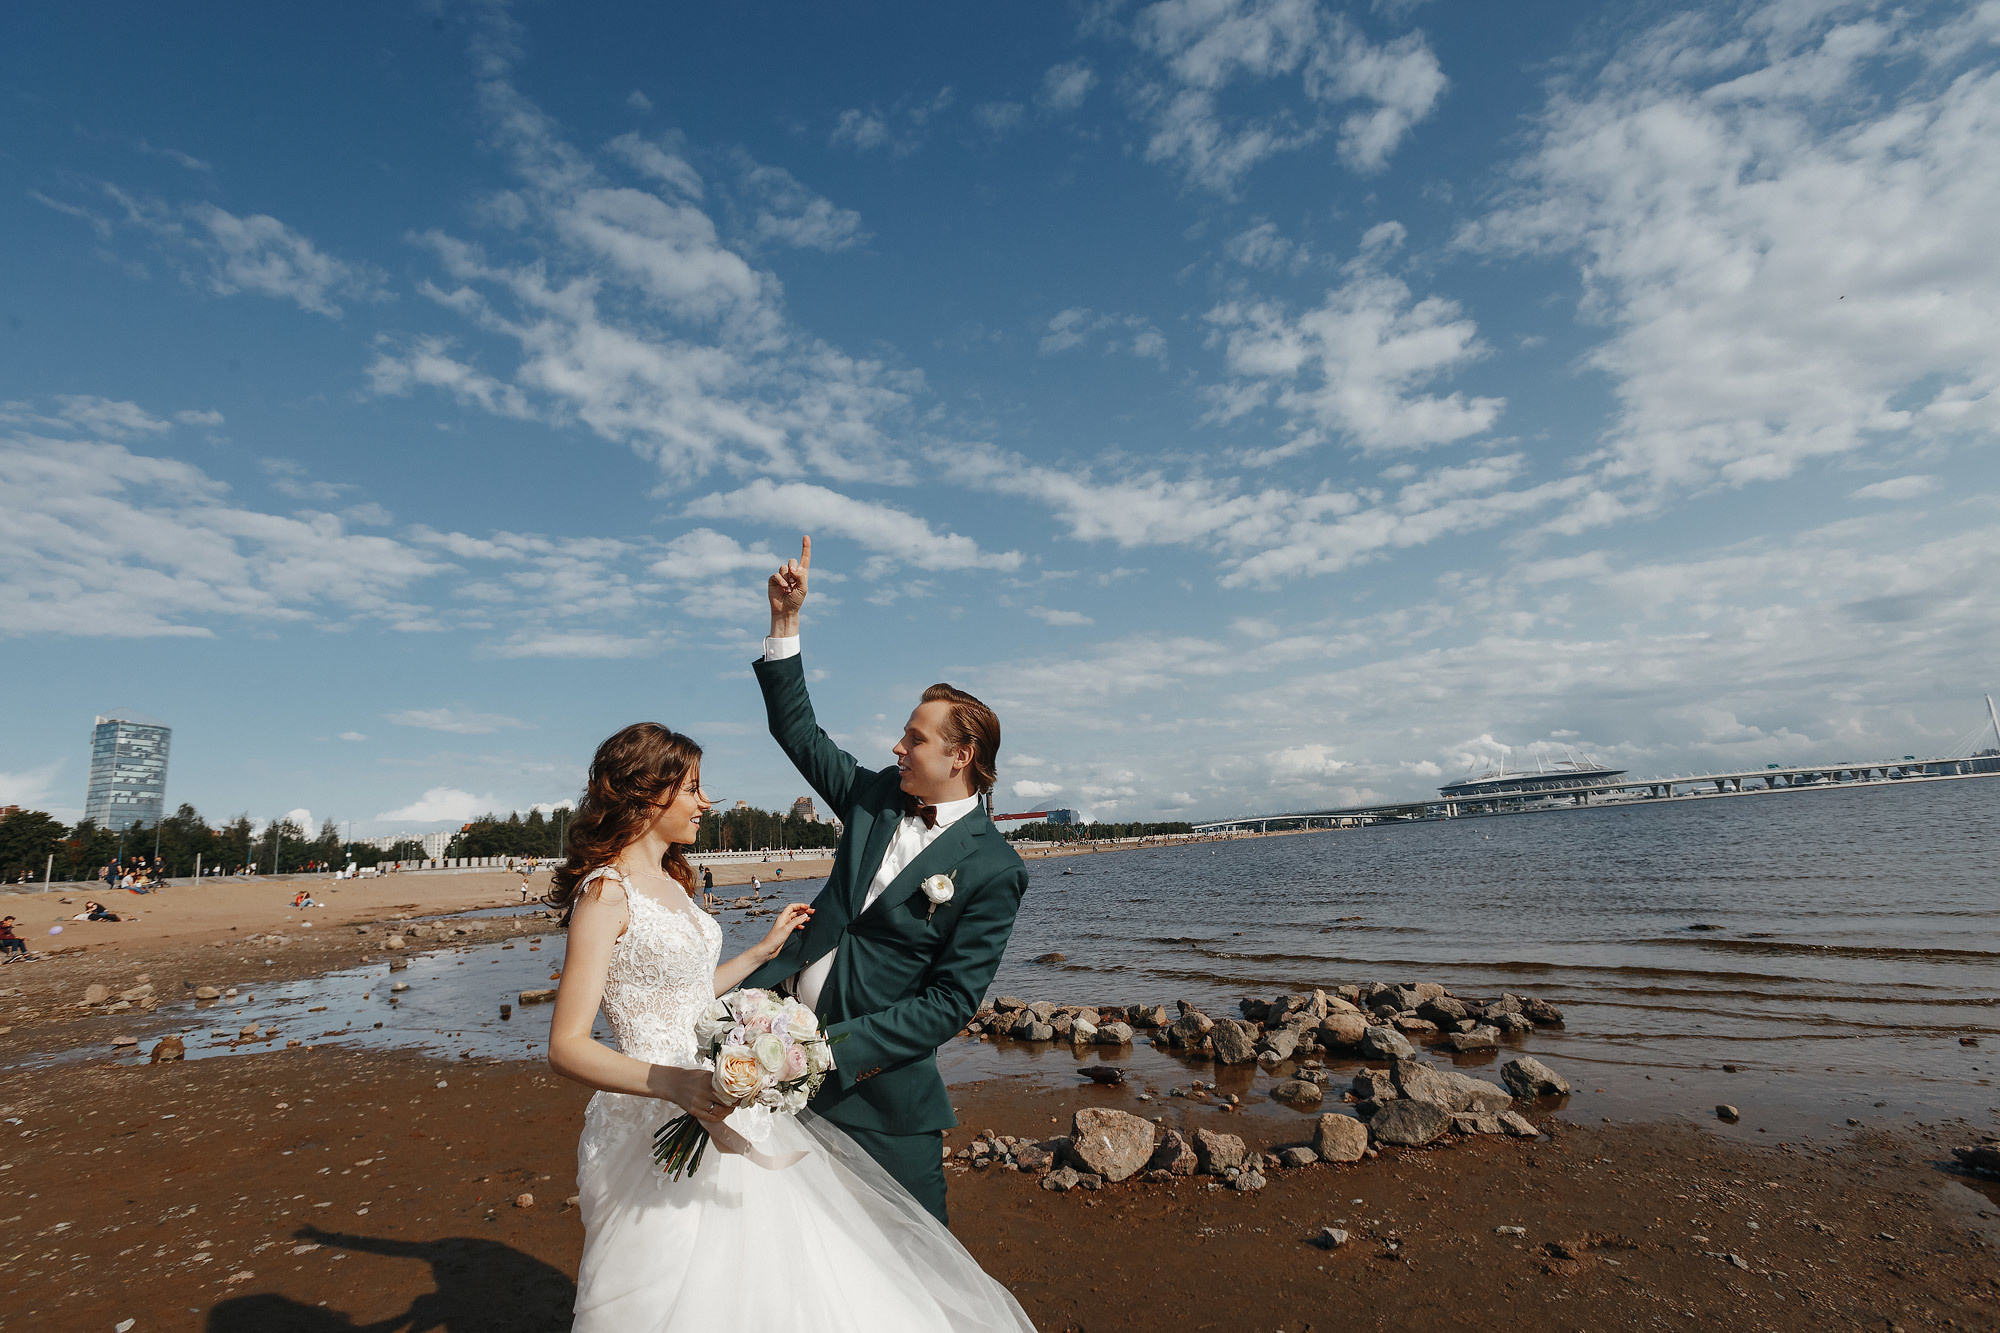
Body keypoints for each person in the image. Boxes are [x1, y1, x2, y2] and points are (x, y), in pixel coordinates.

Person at [546, 723, 1032, 1331]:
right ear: (649, 794)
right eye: (693, 788)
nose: (705, 803)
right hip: (653, 1103)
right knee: (668, 1278)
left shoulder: (672, 881)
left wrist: (756, 959)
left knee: (756, 1277)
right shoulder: (605, 894)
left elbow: (679, 993)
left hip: (717, 1090)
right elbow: (565, 1047)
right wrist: (674, 1084)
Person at [741, 535, 1029, 1226]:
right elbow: (800, 733)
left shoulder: (995, 868)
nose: (897, 747)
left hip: (879, 1095)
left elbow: (949, 1000)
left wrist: (826, 1053)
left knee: (921, 1261)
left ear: (960, 756)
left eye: (914, 737)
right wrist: (786, 624)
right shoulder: (870, 796)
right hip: (770, 1060)